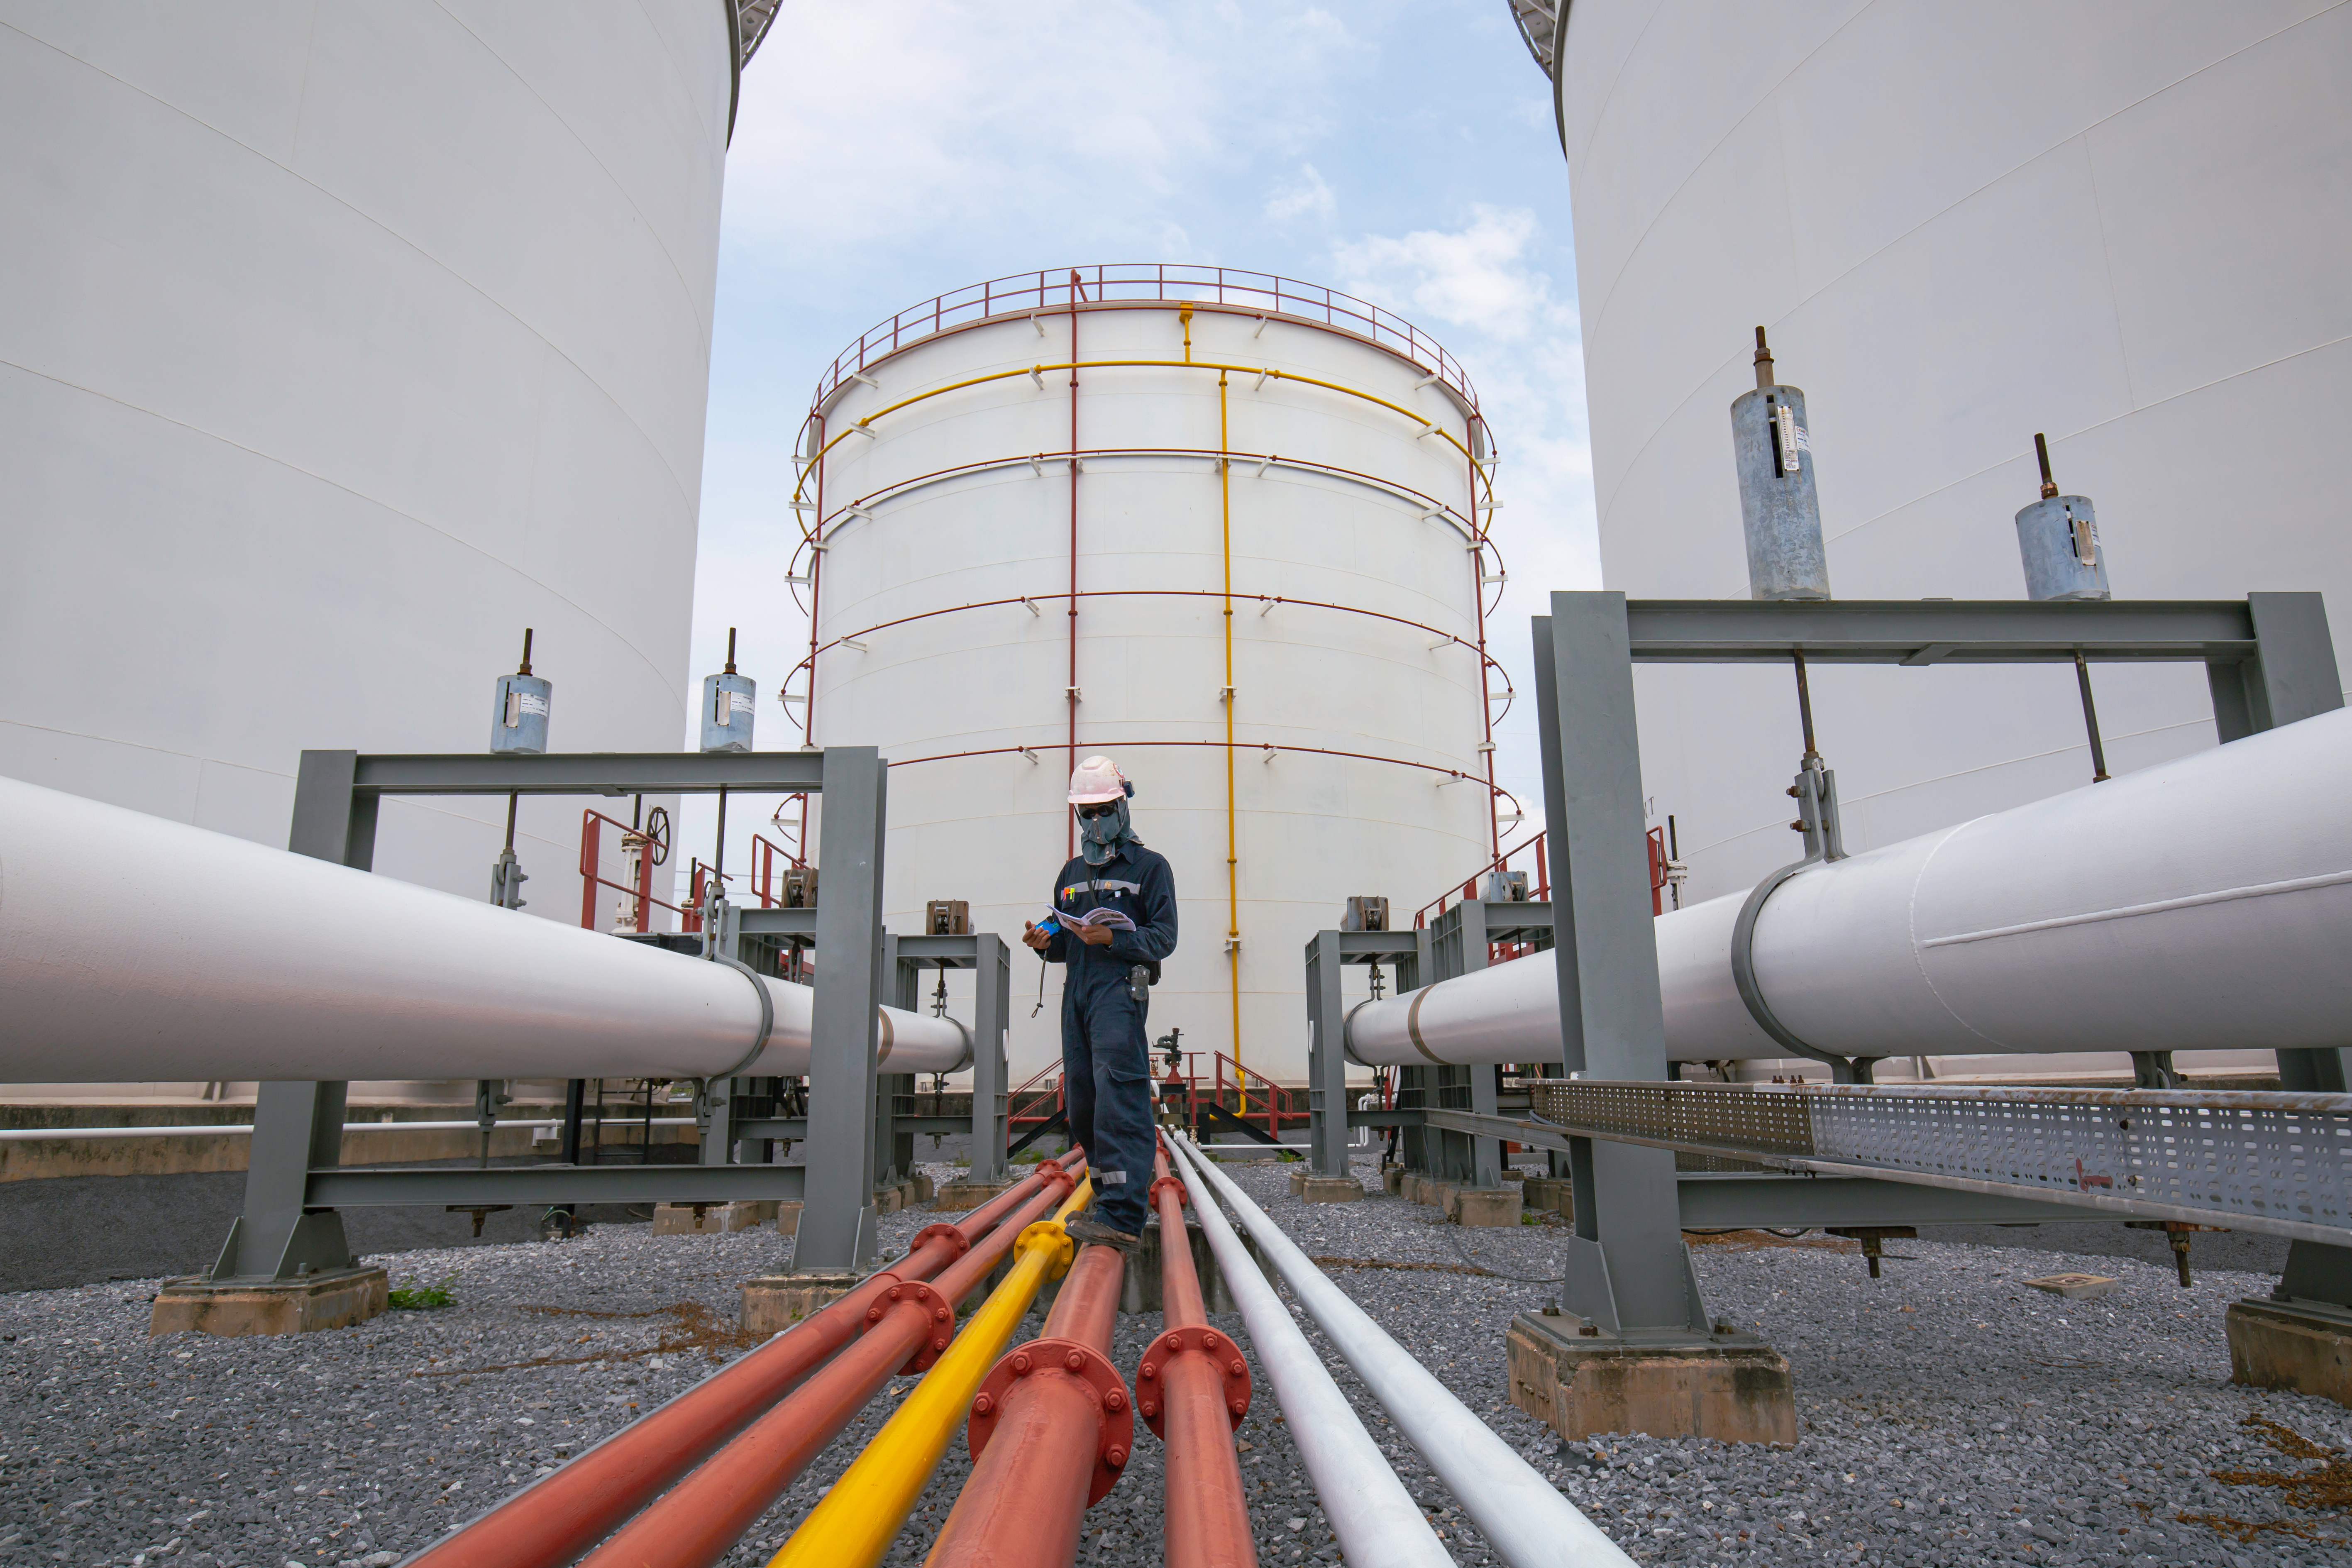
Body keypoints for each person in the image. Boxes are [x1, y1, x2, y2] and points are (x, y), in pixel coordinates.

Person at [1023, 756, 1177, 1250]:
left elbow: (1164, 937)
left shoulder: (1150, 868)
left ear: (1123, 804)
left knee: (1119, 1097)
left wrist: (1112, 938)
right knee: (1085, 1102)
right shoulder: (1070, 873)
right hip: (1079, 992)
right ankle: (1108, 1192)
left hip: (1119, 991)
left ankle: (1123, 1215)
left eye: (1103, 810)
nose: (1094, 822)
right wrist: (1046, 939)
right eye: (1085, 812)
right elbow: (1065, 934)